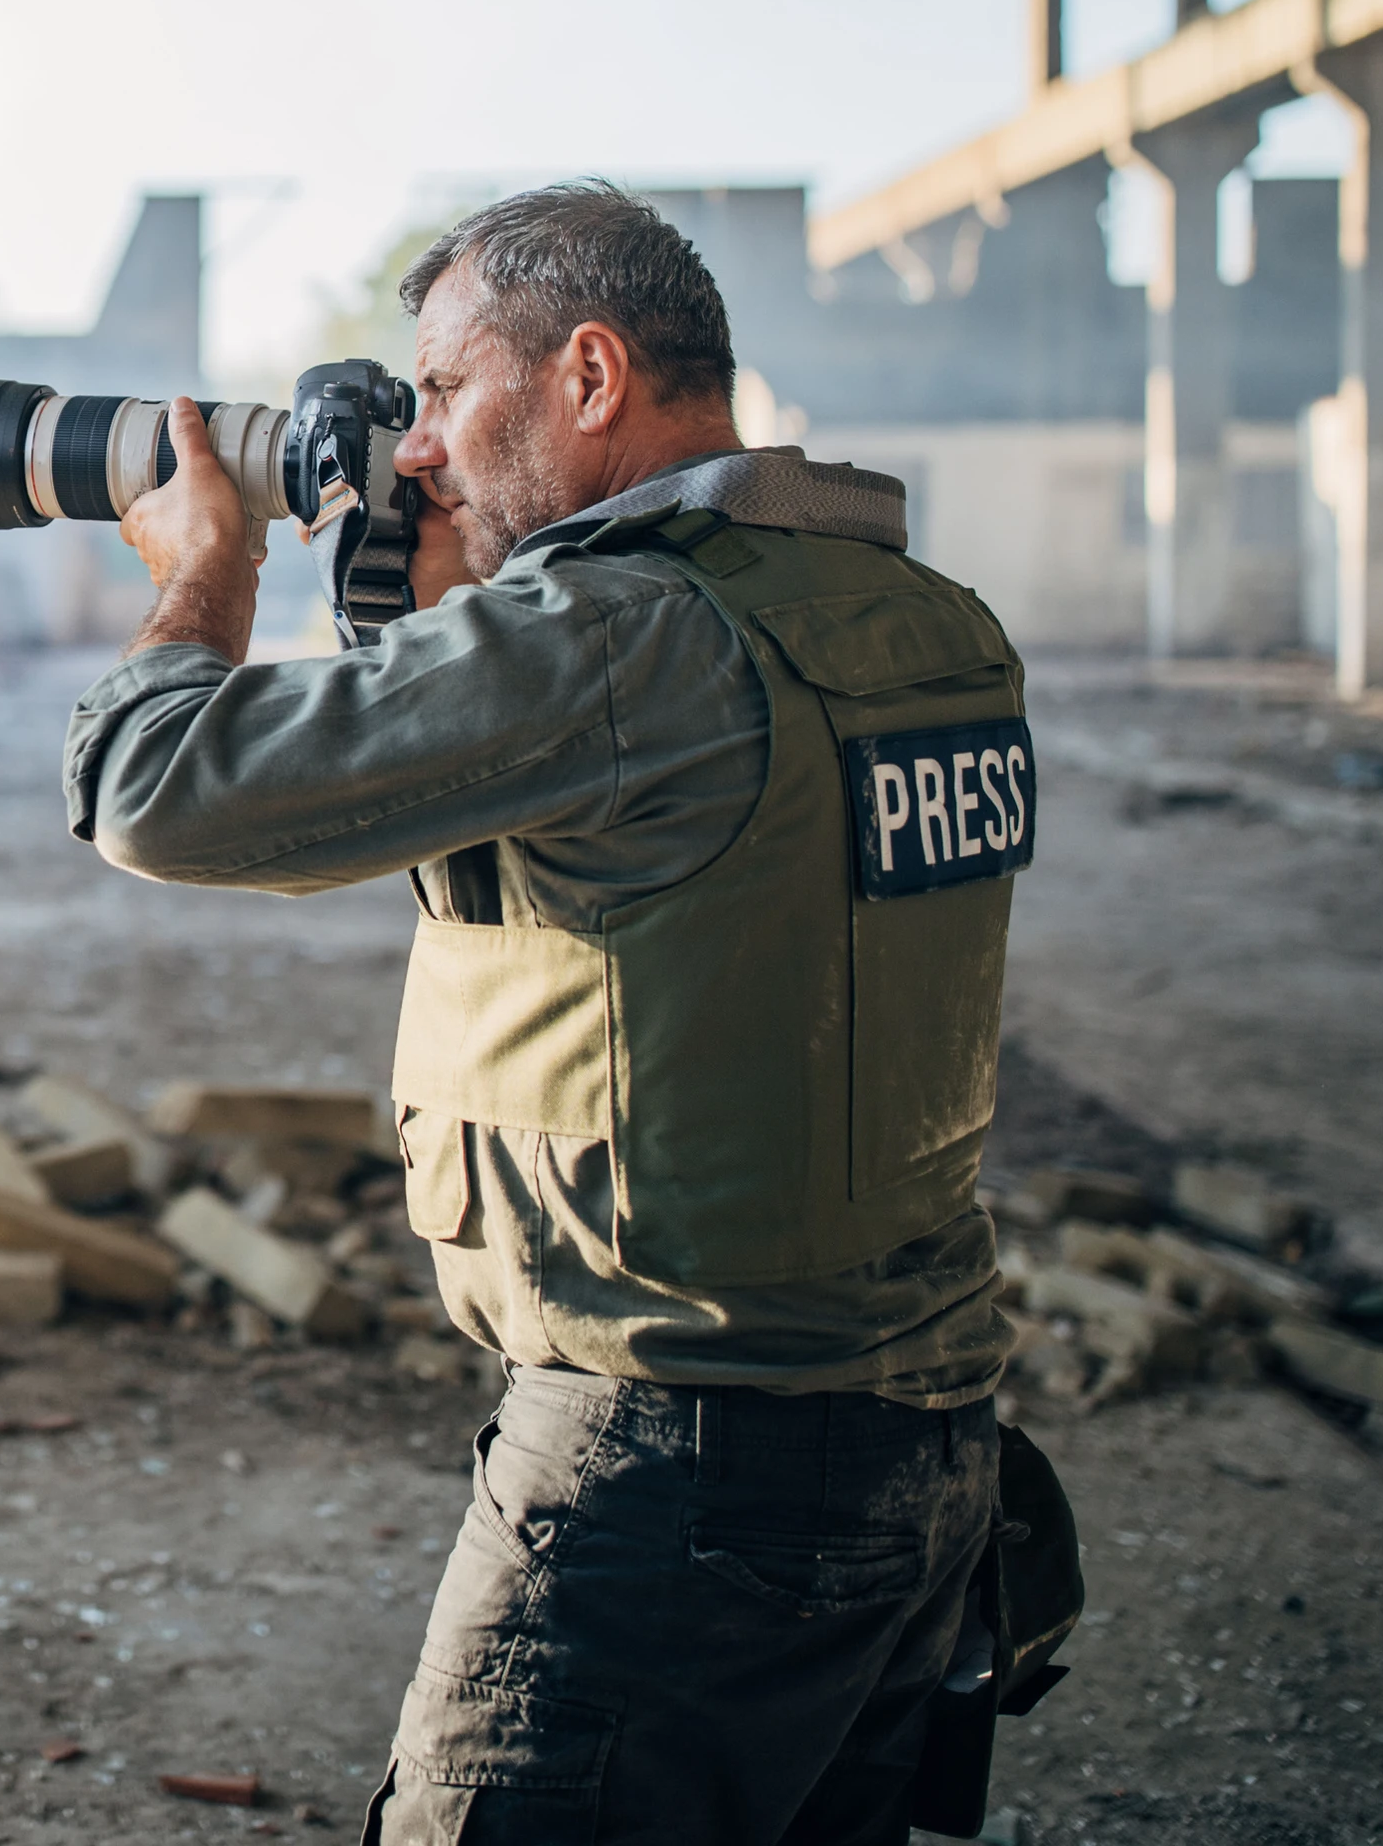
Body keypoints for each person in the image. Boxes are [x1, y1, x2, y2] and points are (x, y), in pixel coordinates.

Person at [67, 182, 1029, 1844]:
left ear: (589, 378)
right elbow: (659, 862)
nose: (416, 446)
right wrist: (444, 605)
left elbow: (160, 790)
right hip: (920, 1440)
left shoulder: (613, 638)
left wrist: (201, 573)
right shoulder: (917, 619)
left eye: (443, 391)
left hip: (681, 1466)